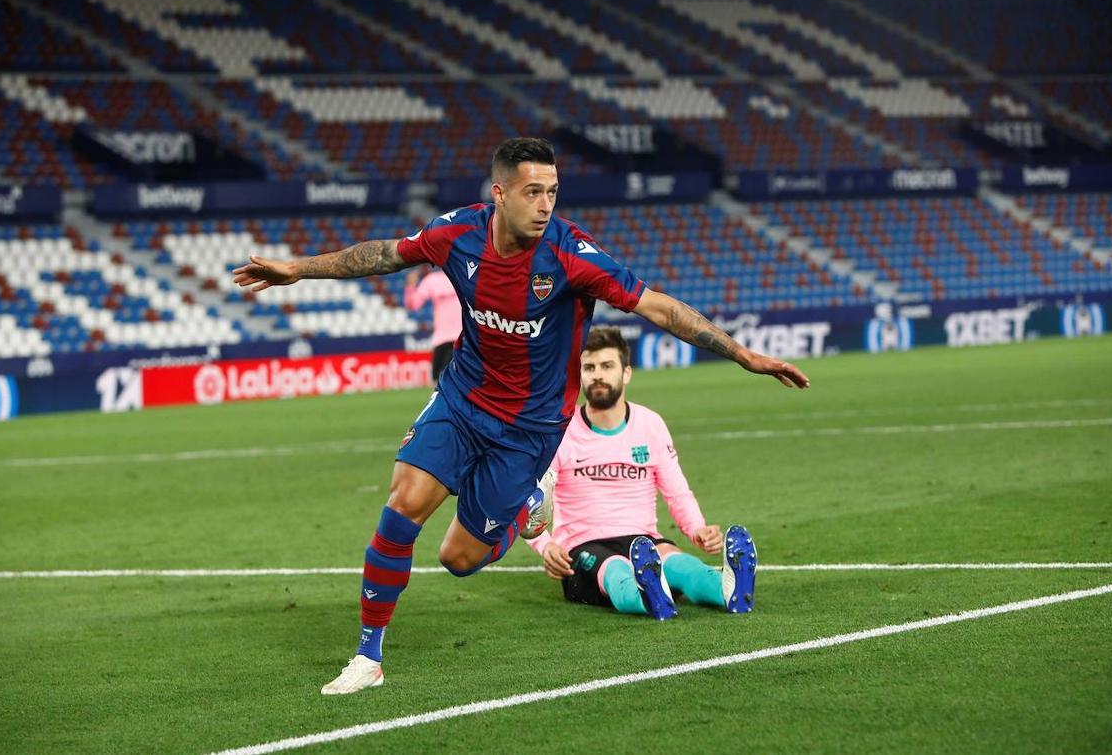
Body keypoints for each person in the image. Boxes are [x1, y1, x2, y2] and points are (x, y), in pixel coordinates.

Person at [232, 137, 810, 696]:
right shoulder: (457, 233)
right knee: (402, 506)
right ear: (499, 193)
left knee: (458, 560)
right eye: (532, 192)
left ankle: (525, 511)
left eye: (552, 192)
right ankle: (368, 655)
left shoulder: (570, 254)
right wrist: (299, 269)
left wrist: (742, 354)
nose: (544, 205)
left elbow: (659, 306)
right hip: (462, 398)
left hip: (528, 431)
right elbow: (383, 255)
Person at [526, 326, 757, 620]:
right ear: (579, 374)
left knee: (679, 564)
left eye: (607, 366)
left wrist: (697, 528)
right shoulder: (560, 431)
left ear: (626, 373)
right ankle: (648, 597)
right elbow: (530, 501)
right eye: (589, 367)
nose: (597, 374)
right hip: (582, 546)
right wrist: (546, 546)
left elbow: (676, 490)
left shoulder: (650, 424)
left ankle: (728, 590)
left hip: (643, 542)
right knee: (616, 570)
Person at [403, 265, 460, 382]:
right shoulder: (431, 280)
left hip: (460, 338)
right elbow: (413, 305)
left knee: (448, 379)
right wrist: (410, 286)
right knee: (437, 379)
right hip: (441, 338)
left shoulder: (460, 273)